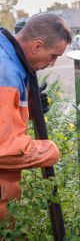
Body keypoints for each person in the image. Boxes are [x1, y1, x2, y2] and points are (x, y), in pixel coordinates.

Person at [0, 13, 72, 221]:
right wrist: (50, 150)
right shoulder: (6, 73)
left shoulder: (7, 54)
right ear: (37, 46)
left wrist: (29, 109)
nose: (52, 64)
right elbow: (6, 151)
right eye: (54, 56)